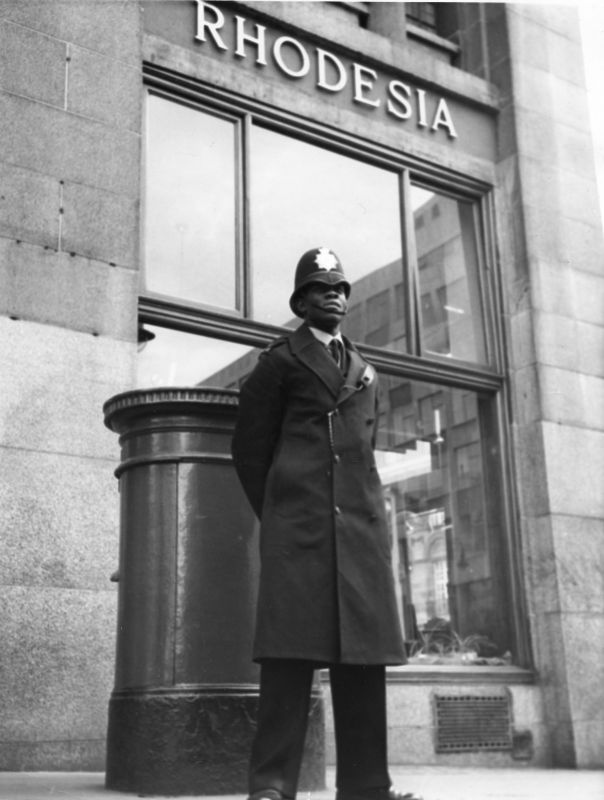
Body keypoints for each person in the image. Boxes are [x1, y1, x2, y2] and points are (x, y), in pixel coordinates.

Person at [231, 247, 423, 800]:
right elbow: (249, 451)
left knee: (364, 662)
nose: (334, 295)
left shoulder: (366, 371)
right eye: (320, 288)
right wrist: (284, 512)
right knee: (289, 661)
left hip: (360, 535)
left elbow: (364, 454)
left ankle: (367, 786)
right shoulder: (279, 364)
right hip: (302, 532)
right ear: (300, 301)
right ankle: (270, 787)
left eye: (340, 288)